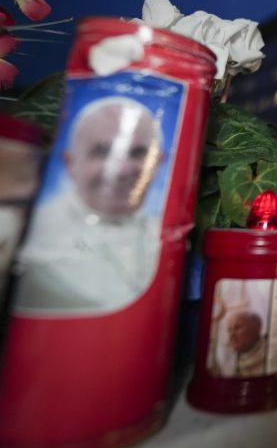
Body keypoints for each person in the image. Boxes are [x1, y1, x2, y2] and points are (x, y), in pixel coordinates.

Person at [14, 97, 164, 312]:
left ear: (158, 162)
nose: (122, 170)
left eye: (138, 153)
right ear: (70, 162)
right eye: (102, 152)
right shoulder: (36, 231)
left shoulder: (163, 234)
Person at [217, 311, 267, 377]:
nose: (231, 336)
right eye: (229, 330)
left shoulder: (268, 351)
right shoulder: (225, 358)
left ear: (256, 328)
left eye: (237, 328)